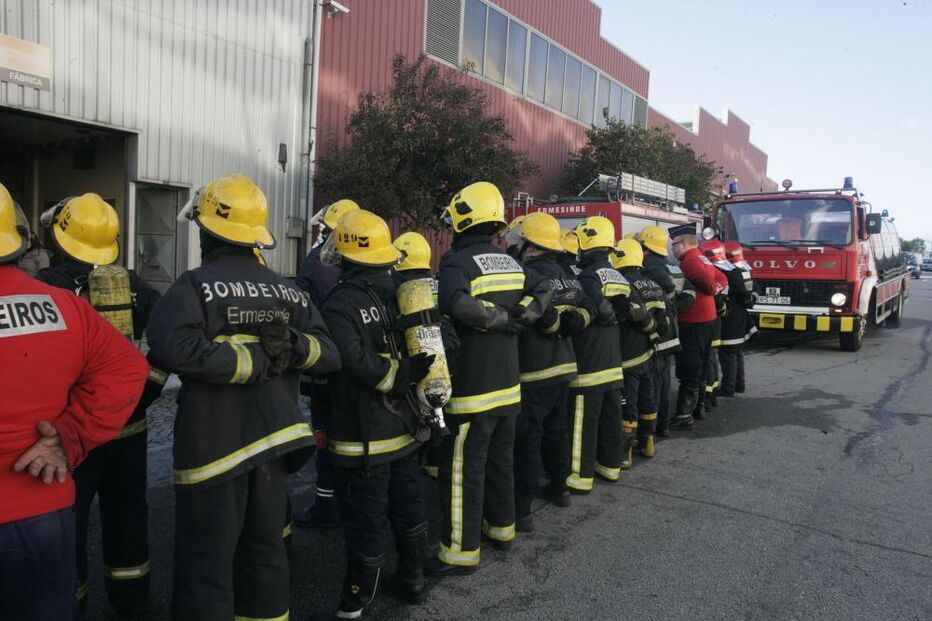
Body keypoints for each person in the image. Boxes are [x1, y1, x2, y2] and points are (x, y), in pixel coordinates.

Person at [146, 173, 341, 621]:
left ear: (206, 230)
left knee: (206, 565)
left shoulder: (195, 286)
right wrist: (292, 347)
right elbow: (330, 356)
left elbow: (170, 347)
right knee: (265, 554)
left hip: (215, 446)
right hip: (274, 444)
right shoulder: (287, 290)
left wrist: (253, 360)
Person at [0, 181, 149, 621]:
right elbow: (132, 367)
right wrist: (71, 434)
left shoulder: (57, 285)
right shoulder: (64, 304)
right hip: (46, 498)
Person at [34, 193, 164, 617]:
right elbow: (169, 339)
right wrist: (146, 391)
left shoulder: (45, 288)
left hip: (71, 434)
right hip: (129, 427)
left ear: (60, 237)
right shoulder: (134, 284)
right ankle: (132, 602)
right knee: (127, 516)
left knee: (67, 522)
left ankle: (72, 603)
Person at [319, 211, 440, 618]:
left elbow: (350, 360)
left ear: (347, 253)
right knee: (408, 508)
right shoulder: (401, 292)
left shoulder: (340, 302)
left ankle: (353, 604)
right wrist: (407, 376)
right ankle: (413, 581)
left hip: (363, 437)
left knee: (365, 523)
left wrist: (397, 375)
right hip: (406, 428)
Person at [429, 181, 550, 575]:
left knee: (464, 470)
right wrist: (522, 316)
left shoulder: (457, 263)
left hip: (472, 390)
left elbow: (453, 302)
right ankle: (501, 529)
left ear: (464, 220)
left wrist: (497, 319)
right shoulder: (512, 263)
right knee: (500, 462)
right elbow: (544, 287)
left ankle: (459, 552)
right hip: (508, 388)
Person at [511, 212, 593, 531]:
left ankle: (522, 509)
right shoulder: (568, 276)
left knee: (527, 439)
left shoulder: (525, 274)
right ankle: (559, 489)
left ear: (531, 247)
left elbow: (531, 316)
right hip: (565, 368)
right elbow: (590, 307)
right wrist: (575, 322)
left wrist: (556, 324)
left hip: (534, 371)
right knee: (557, 431)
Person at [294, 198, 360, 530]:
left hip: (325, 365)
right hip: (359, 368)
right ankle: (350, 502)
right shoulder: (371, 262)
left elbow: (298, 303)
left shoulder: (317, 261)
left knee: (324, 435)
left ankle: (326, 507)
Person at [565, 216, 633, 490]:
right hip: (613, 361)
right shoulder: (618, 275)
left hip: (589, 362)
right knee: (610, 420)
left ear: (588, 242)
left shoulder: (588, 277)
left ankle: (579, 478)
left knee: (584, 423)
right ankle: (610, 467)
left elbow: (593, 310)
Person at [669, 224, 727, 430]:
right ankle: (698, 407)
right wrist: (715, 289)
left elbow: (710, 285)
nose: (672, 249)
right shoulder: (701, 257)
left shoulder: (691, 262)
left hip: (693, 321)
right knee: (701, 365)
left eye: (674, 245)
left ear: (683, 244)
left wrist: (713, 289)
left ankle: (684, 415)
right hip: (707, 319)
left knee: (689, 368)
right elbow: (722, 278)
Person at [612, 238, 665, 463]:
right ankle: (648, 442)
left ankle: (625, 453)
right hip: (648, 353)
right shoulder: (652, 284)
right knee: (647, 398)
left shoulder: (622, 284)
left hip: (628, 355)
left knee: (628, 403)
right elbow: (663, 321)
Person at [639, 225, 688, 437]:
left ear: (646, 248)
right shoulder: (672, 267)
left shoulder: (650, 268)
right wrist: (675, 307)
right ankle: (663, 425)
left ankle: (654, 427)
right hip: (671, 331)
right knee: (665, 380)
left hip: (659, 333)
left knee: (655, 383)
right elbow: (686, 292)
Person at [719, 241, 756, 396]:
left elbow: (737, 291)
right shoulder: (745, 269)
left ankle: (728, 388)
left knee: (728, 353)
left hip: (731, 317)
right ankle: (739, 384)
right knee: (736, 352)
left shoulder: (731, 272)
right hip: (741, 315)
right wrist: (750, 301)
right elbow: (751, 292)